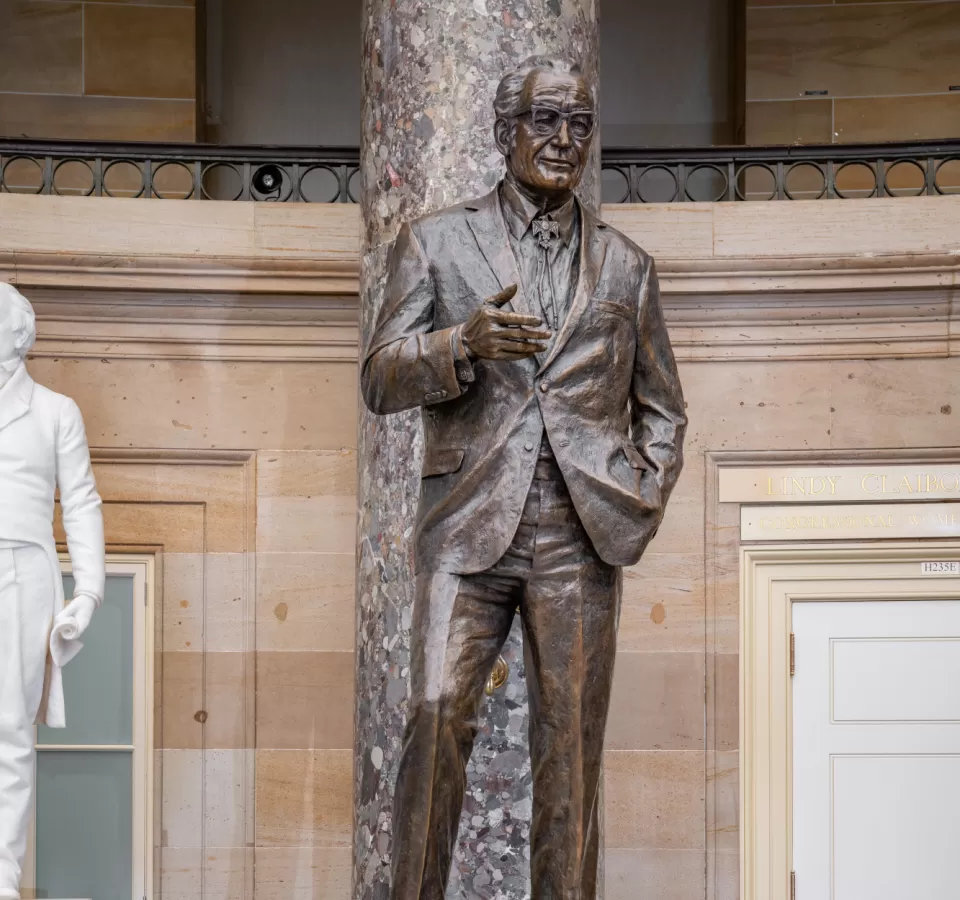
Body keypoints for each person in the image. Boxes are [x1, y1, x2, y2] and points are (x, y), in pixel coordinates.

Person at [362, 57, 686, 899]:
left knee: (571, 753)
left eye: (579, 123)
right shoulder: (434, 240)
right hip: (467, 526)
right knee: (434, 718)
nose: (564, 140)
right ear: (505, 129)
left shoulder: (627, 267)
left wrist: (638, 494)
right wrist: (459, 346)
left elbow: (664, 409)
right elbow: (379, 376)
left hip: (580, 534)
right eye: (546, 120)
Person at [0, 283, 105, 900]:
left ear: (16, 332)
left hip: (23, 573)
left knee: (10, 731)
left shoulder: (54, 410)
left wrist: (88, 592)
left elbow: (82, 505)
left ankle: (3, 879)